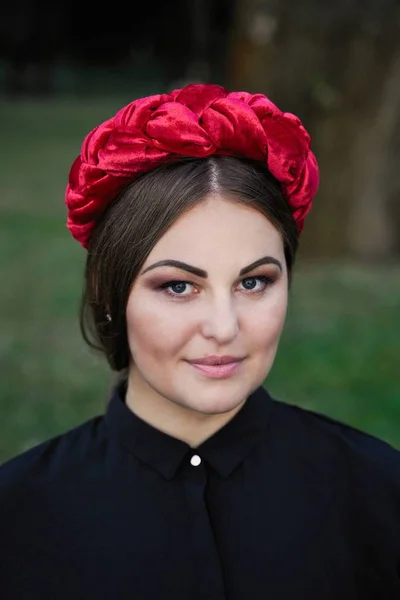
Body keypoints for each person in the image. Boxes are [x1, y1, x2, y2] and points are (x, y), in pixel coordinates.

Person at [0, 83, 399, 600]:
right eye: (179, 286)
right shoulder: (18, 516)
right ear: (110, 292)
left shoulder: (377, 491)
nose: (224, 326)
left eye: (253, 281)